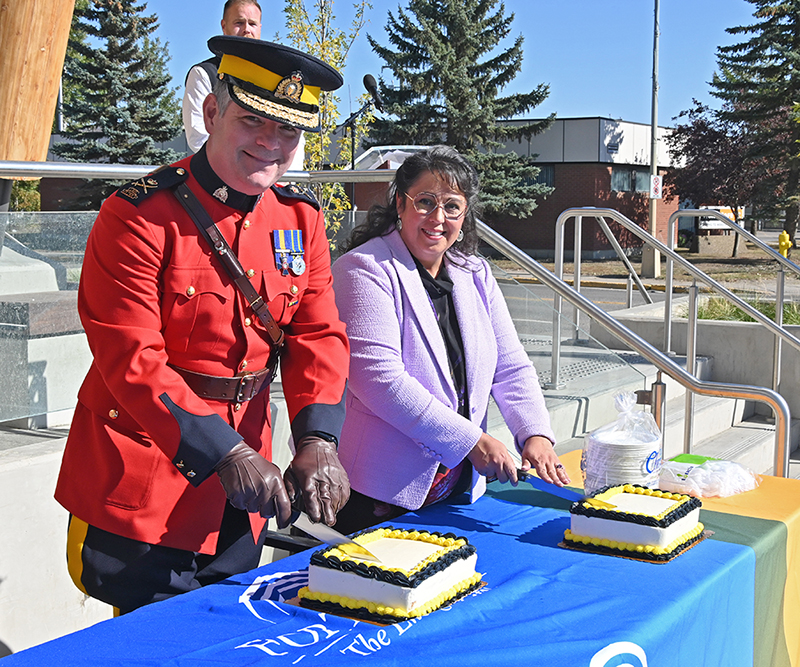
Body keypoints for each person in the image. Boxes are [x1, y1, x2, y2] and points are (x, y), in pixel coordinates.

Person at [55, 36, 350, 614]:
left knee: (225, 629)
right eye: (252, 122)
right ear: (212, 113)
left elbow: (318, 336)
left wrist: (318, 439)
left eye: (288, 131)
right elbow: (130, 357)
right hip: (145, 473)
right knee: (143, 642)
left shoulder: (301, 219)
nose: (271, 144)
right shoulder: (139, 215)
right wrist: (225, 453)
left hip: (247, 488)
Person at [330, 145, 569, 534]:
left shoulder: (474, 272)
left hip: (456, 488)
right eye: (425, 202)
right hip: (380, 495)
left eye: (452, 206)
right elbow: (380, 381)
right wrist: (471, 441)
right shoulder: (363, 269)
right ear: (399, 204)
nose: (438, 218)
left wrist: (535, 433)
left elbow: (510, 366)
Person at [182, 0, 305, 170]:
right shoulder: (204, 74)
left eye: (252, 23)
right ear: (224, 26)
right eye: (239, 23)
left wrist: (284, 182)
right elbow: (199, 137)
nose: (247, 29)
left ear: (260, 28)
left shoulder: (278, 78)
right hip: (224, 179)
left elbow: (294, 135)